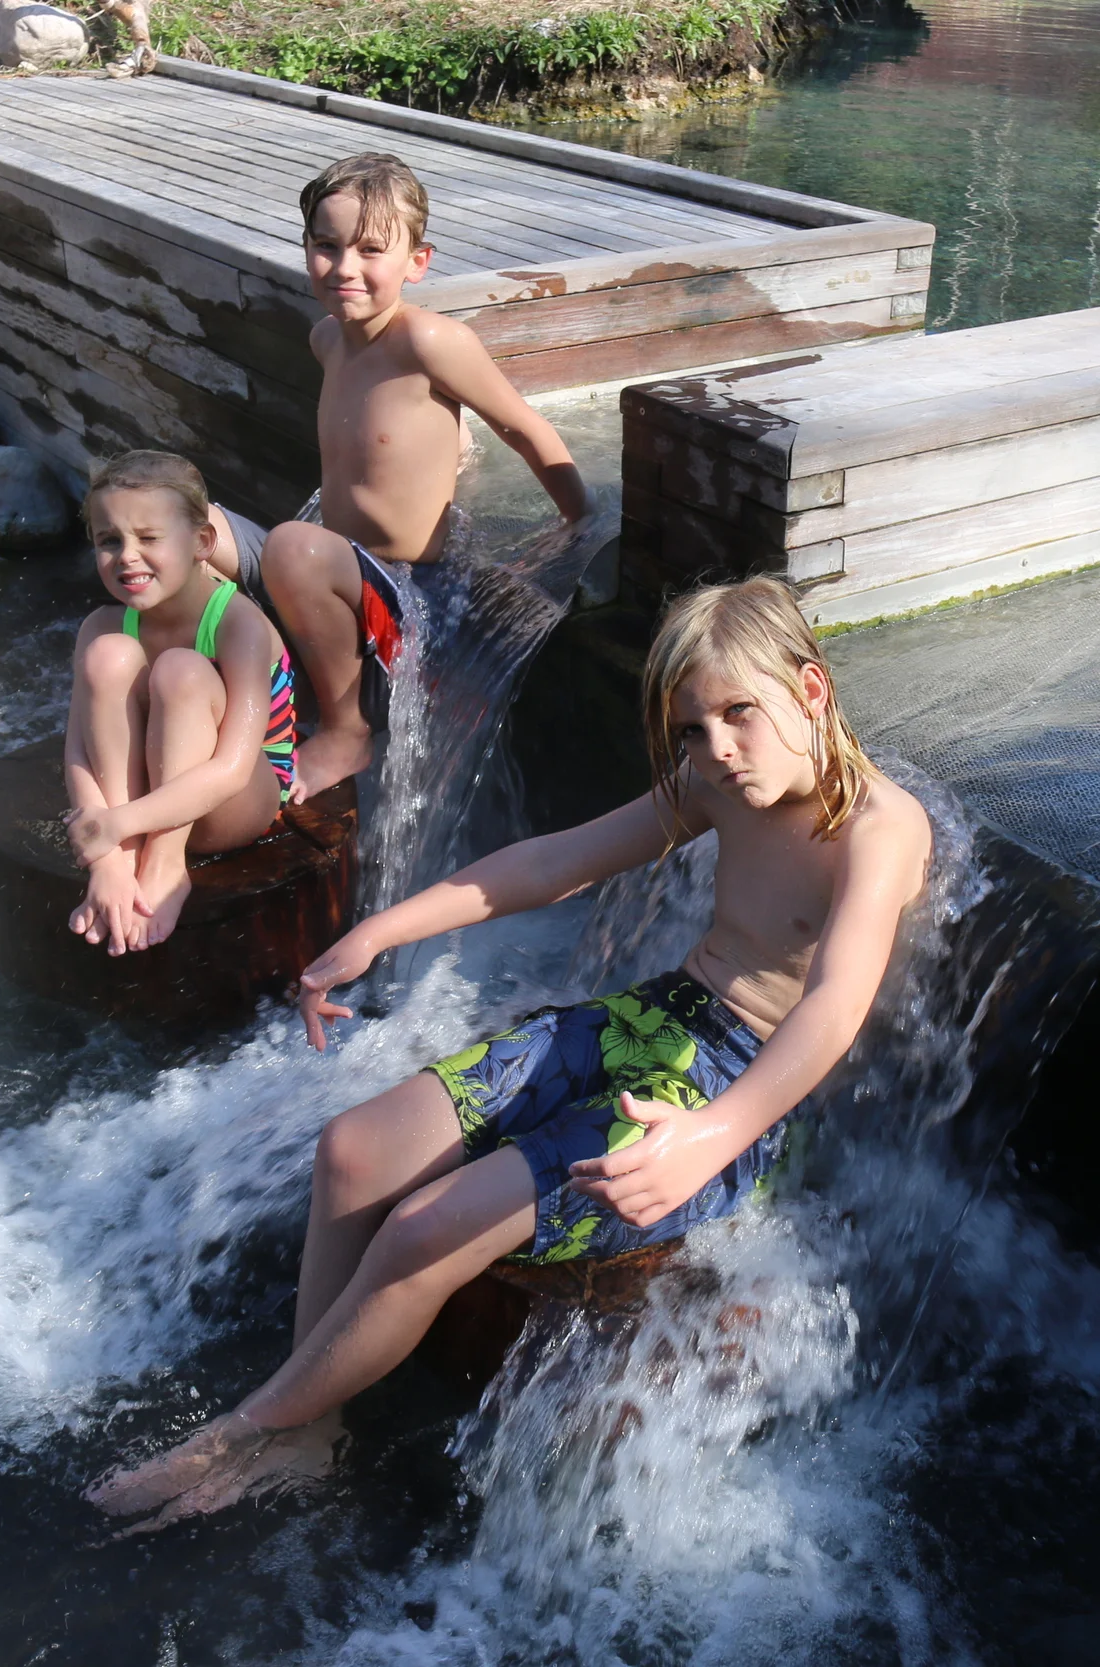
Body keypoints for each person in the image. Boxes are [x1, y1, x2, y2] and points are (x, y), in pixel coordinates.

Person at [86, 577, 932, 1527]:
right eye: (693, 729)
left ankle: (249, 1432)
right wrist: (384, 930)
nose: (717, 750)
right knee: (353, 1152)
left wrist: (709, 1137)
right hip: (653, 1018)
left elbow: (833, 1010)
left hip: (739, 1088)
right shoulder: (718, 783)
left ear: (811, 691)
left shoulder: (879, 828)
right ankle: (309, 1422)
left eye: (739, 714)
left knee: (420, 1229)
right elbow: (553, 862)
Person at [227, 151, 591, 803]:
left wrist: (581, 527)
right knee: (189, 530)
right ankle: (250, 698)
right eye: (327, 246)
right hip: (348, 578)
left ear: (417, 263)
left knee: (290, 544)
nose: (345, 268)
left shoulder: (430, 342)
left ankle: (346, 730)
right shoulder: (327, 341)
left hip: (417, 597)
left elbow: (524, 428)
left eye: (372, 250)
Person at [61, 450, 299, 956]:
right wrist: (103, 854)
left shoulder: (239, 624)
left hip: (234, 801)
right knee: (107, 656)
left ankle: (165, 867)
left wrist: (118, 822)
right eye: (109, 540)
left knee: (180, 668)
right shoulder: (100, 625)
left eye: (148, 538)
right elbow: (78, 750)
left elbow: (234, 771)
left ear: (202, 543)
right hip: (144, 801)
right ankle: (125, 866)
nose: (126, 555)